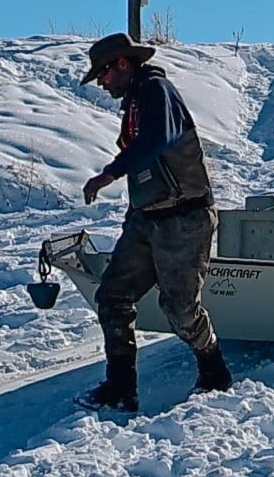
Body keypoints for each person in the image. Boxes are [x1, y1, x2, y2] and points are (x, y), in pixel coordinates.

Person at [75, 32, 233, 413]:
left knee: (180, 309)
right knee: (113, 296)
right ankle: (120, 390)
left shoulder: (155, 91)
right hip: (147, 218)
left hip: (184, 218)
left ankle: (215, 372)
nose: (102, 82)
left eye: (105, 74)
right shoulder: (135, 102)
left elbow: (157, 140)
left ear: (123, 64)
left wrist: (109, 174)